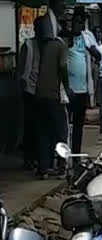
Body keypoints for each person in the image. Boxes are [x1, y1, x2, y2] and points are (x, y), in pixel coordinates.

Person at [36, 18, 69, 179]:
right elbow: (62, 66)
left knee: (44, 132)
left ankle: (43, 169)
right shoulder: (61, 46)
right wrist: (67, 87)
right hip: (53, 96)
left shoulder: (46, 45)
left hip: (40, 94)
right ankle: (62, 168)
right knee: (61, 132)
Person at [67, 12, 100, 154]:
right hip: (68, 90)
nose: (79, 26)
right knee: (66, 126)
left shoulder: (86, 38)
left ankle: (76, 155)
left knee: (78, 126)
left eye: (82, 23)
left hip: (82, 90)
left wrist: (90, 48)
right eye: (77, 22)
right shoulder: (66, 38)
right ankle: (64, 157)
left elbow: (97, 55)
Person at [18, 18, 43, 169]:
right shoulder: (29, 45)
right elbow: (25, 71)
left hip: (40, 90)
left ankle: (35, 156)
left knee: (38, 126)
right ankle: (29, 157)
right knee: (30, 125)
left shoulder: (44, 45)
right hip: (29, 90)